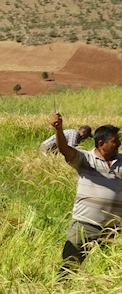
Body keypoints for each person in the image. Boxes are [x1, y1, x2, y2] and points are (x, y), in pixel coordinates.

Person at [49, 112, 122, 274]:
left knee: (110, 273)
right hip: (85, 226)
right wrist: (58, 129)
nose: (119, 144)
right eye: (115, 141)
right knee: (69, 267)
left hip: (114, 230)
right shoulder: (85, 159)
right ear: (101, 143)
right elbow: (65, 150)